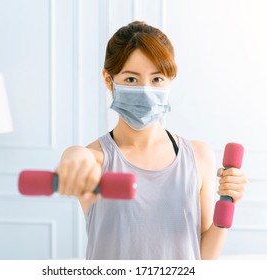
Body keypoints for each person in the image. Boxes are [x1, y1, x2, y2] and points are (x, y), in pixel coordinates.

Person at [56, 21, 248, 260]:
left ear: (170, 81)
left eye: (157, 79)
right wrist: (71, 156)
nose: (146, 90)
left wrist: (228, 204)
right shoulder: (95, 159)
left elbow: (203, 259)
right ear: (109, 80)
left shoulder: (198, 156)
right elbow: (77, 157)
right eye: (131, 80)